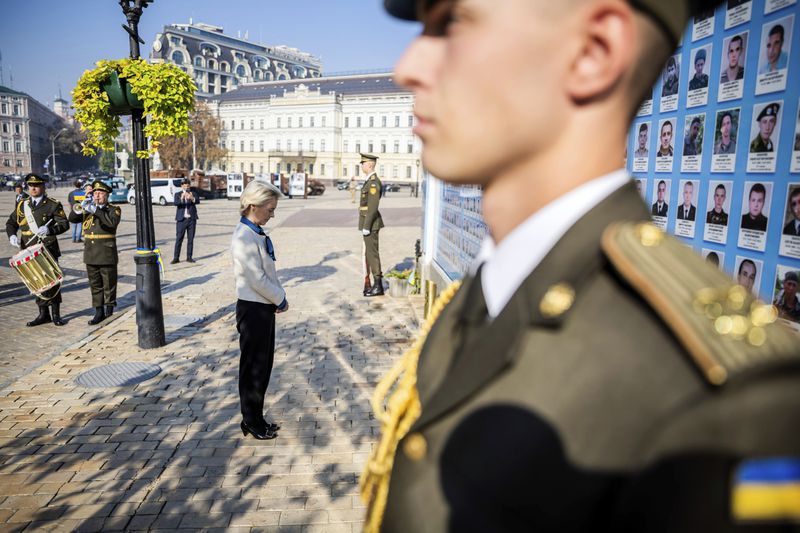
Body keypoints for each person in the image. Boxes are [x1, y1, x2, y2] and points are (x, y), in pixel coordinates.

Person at [362, 0, 800, 531]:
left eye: (452, 23)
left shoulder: (716, 397)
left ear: (594, 53)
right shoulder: (488, 288)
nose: (406, 67)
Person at [231, 180, 287, 441]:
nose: (272, 214)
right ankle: (251, 421)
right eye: (270, 209)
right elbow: (256, 278)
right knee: (253, 367)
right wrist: (280, 299)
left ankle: (257, 416)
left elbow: (267, 272)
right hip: (253, 308)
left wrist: (274, 299)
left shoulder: (255, 233)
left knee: (263, 366)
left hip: (262, 306)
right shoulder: (244, 237)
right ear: (253, 206)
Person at [5, 173, 70, 327]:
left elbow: (64, 224)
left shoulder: (52, 204)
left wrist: (50, 230)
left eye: (37, 185)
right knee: (35, 280)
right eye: (31, 186)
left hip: (46, 248)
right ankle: (43, 314)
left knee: (51, 280)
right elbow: (11, 223)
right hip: (28, 247)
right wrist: (12, 236)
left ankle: (56, 314)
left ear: (43, 187)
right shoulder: (23, 204)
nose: (33, 188)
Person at [68, 180, 121, 325]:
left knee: (109, 283)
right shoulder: (88, 208)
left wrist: (95, 210)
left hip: (106, 253)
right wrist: (81, 206)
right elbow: (72, 219)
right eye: (95, 193)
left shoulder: (113, 209)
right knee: (95, 284)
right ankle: (98, 310)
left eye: (100, 193)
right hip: (90, 253)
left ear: (107, 195)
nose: (97, 196)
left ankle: (109, 305)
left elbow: (111, 223)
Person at [358, 153, 385, 297]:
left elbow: (373, 207)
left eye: (363, 163)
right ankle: (376, 284)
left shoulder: (373, 182)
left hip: (371, 224)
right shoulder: (369, 181)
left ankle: (378, 285)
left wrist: (367, 226)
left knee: (372, 254)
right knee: (369, 253)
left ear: (369, 165)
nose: (361, 165)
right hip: (368, 222)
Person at [171, 178, 199, 264]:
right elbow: (176, 203)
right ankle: (176, 257)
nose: (186, 186)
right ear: (181, 186)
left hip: (191, 219)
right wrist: (182, 199)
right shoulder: (177, 194)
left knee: (190, 239)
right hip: (181, 220)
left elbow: (197, 201)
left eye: (187, 185)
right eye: (184, 185)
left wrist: (192, 198)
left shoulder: (193, 193)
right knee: (179, 239)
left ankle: (189, 257)